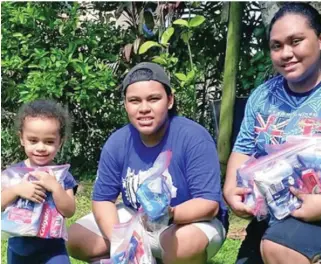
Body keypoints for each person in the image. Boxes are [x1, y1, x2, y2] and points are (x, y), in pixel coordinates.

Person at [223, 3, 321, 264]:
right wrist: (232, 189)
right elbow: (243, 149)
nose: (286, 53)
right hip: (278, 211)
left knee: (279, 250)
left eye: (296, 41)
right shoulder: (263, 96)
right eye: (277, 46)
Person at [67, 62, 228, 264]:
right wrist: (120, 241)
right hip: (137, 219)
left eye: (153, 99)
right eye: (134, 100)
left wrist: (170, 213)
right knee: (76, 237)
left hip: (186, 222)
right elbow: (103, 200)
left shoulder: (194, 137)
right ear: (125, 104)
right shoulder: (118, 141)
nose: (144, 108)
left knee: (183, 243)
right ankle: (133, 257)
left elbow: (209, 205)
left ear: (169, 100)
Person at [1, 99, 78, 264]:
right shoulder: (13, 174)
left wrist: (56, 187)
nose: (41, 147)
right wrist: (16, 190)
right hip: (19, 248)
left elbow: (69, 211)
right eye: (33, 140)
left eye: (49, 141)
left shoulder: (62, 175)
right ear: (22, 138)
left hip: (53, 249)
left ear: (60, 141)